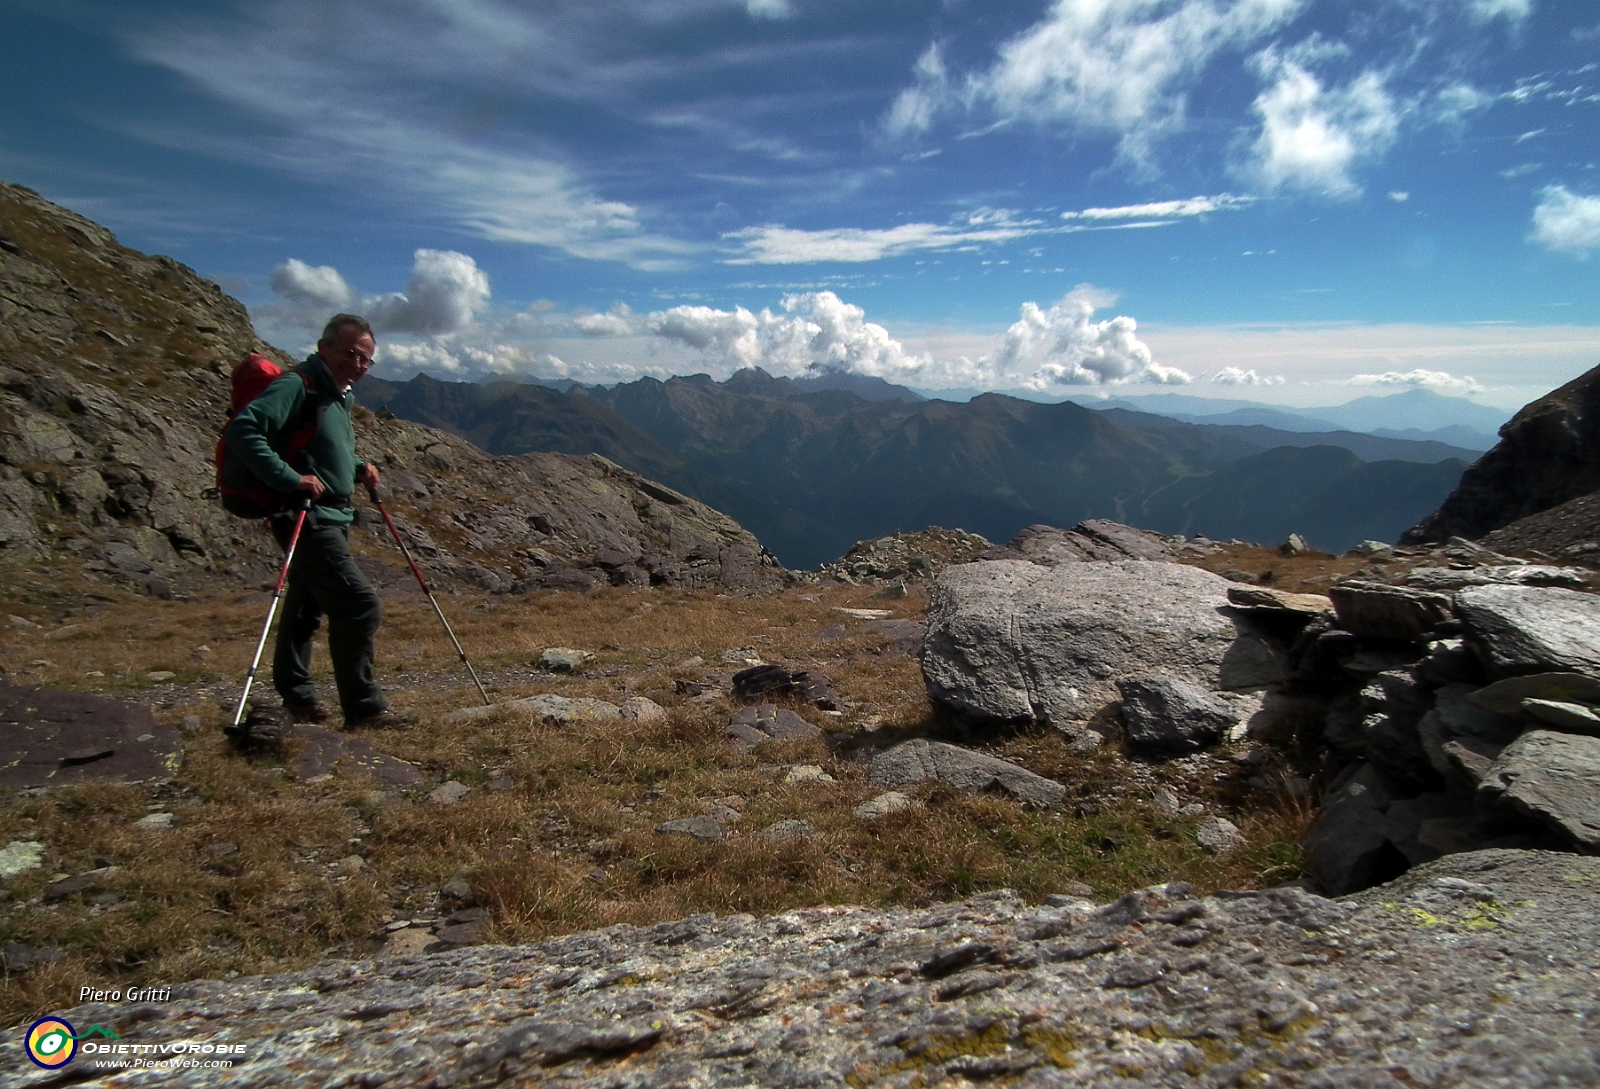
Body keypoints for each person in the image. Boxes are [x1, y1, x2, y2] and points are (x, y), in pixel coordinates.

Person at [225, 314, 411, 729]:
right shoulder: (298, 384)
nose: (358, 365)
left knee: (305, 607)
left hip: (329, 514)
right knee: (359, 605)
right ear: (323, 346)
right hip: (304, 516)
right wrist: (290, 480)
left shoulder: (336, 393)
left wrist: (357, 467)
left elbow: (316, 445)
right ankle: (363, 709)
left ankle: (298, 697)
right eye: (349, 354)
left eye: (366, 360)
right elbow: (245, 430)